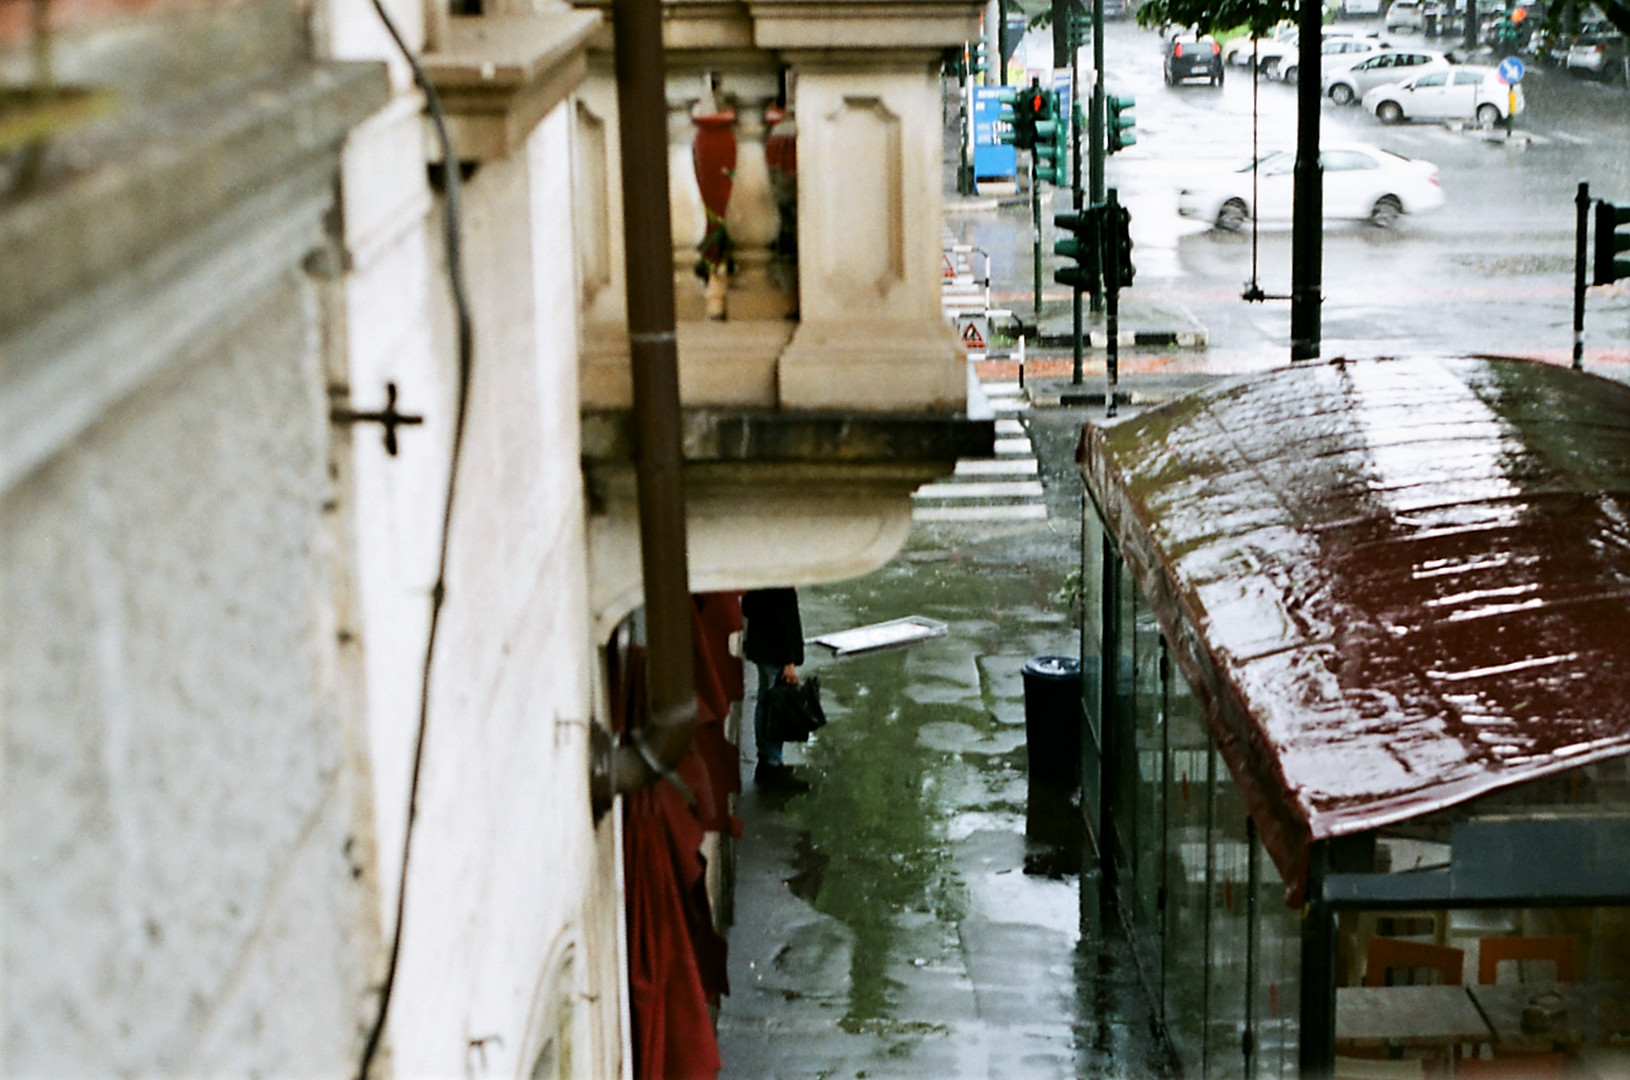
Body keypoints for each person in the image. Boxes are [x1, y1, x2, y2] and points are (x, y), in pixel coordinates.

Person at [740, 587, 810, 793]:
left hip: (762, 646)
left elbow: (748, 607)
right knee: (773, 703)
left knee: (766, 699)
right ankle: (771, 764)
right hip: (775, 651)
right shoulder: (780, 583)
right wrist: (788, 661)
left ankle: (768, 760)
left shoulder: (762, 576)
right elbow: (783, 618)